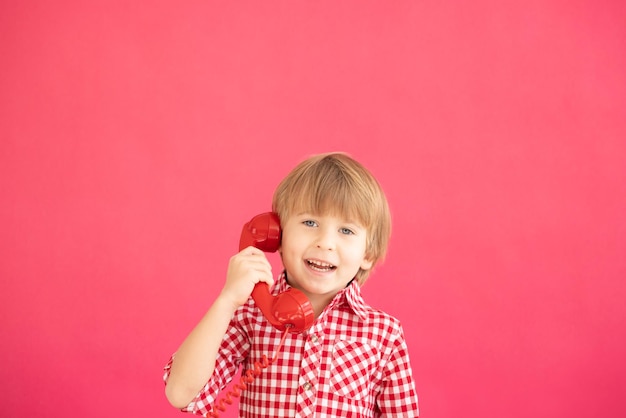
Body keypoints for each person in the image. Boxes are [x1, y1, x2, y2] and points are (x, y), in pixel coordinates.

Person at [164, 152, 419, 417]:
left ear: (368, 254)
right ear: (278, 237)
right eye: (310, 222)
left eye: (346, 231)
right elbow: (181, 394)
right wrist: (226, 301)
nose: (325, 242)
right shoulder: (251, 316)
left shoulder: (384, 333)